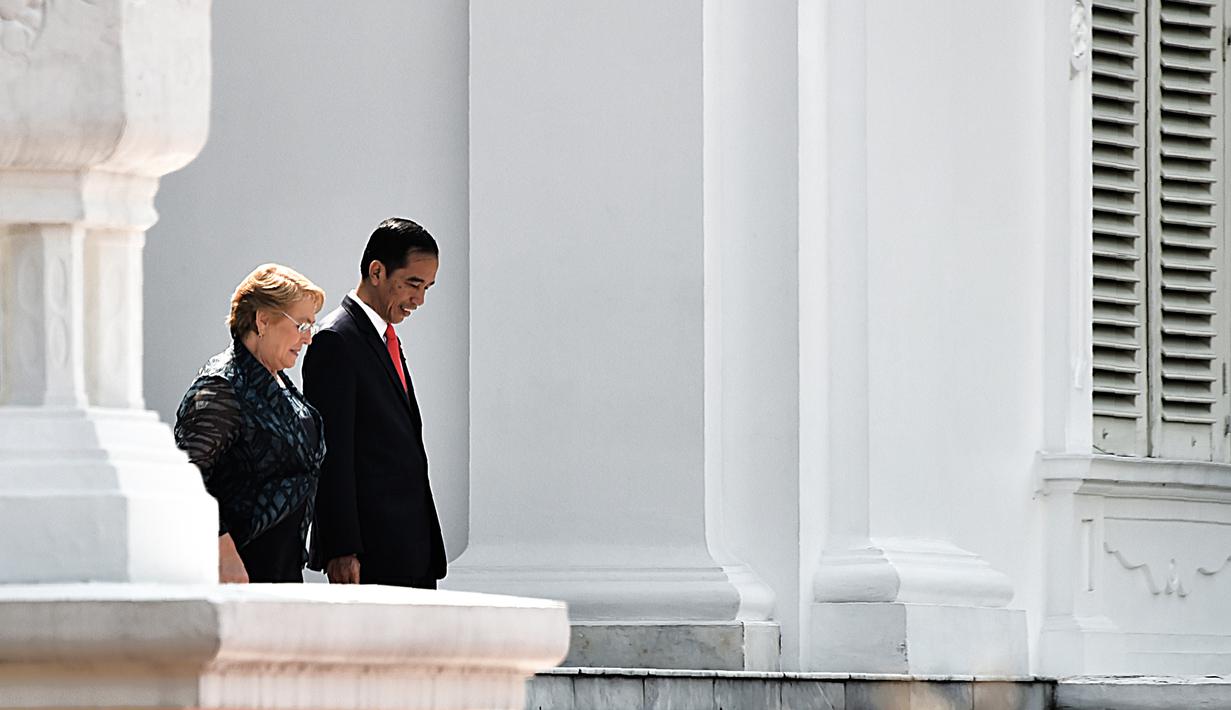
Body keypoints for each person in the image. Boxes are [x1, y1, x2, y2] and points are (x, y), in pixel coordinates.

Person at [303, 217, 446, 588]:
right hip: (370, 559)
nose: (419, 299)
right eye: (413, 283)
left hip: (411, 551)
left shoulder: (384, 340)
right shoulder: (335, 341)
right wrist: (341, 549)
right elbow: (330, 454)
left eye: (428, 287)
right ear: (377, 271)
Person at [174, 263, 327, 583]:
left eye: (311, 326)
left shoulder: (281, 383)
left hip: (282, 571)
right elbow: (183, 479)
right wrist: (223, 553)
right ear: (263, 320)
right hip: (240, 573)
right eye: (301, 325)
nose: (308, 339)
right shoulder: (221, 386)